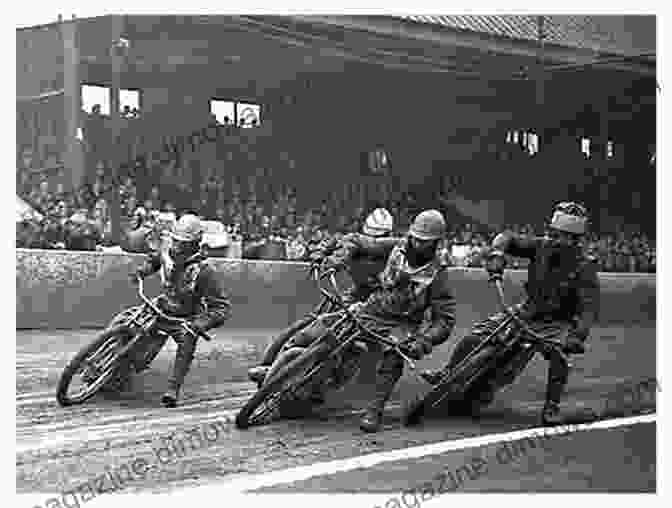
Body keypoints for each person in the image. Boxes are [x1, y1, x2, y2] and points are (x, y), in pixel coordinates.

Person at [261, 209, 457, 433]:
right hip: (372, 307)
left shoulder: (439, 274)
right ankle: (274, 371)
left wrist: (423, 341)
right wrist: (336, 259)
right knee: (323, 325)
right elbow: (358, 241)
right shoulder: (396, 246)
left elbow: (445, 320)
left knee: (393, 356)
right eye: (415, 238)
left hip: (402, 323)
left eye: (425, 241)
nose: (418, 244)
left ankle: (375, 410)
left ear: (436, 243)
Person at [420, 202, 600, 426]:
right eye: (553, 233)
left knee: (559, 357)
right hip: (527, 311)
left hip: (557, 322)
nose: (554, 239)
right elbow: (507, 238)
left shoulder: (585, 267)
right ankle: (447, 372)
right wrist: (497, 253)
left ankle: (551, 408)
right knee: (477, 334)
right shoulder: (540, 246)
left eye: (561, 236)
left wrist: (578, 335)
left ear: (575, 239)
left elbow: (588, 308)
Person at [247, 208, 399, 386]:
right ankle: (275, 366)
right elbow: (331, 244)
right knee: (318, 323)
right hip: (357, 292)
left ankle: (357, 380)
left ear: (388, 233)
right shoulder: (353, 239)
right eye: (370, 234)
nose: (374, 240)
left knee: (376, 342)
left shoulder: (397, 250)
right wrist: (320, 254)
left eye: (379, 235)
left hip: (381, 301)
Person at [120, 214, 232, 407]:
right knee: (128, 321)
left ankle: (173, 388)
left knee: (187, 344)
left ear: (195, 244)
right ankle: (115, 365)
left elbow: (221, 308)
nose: (177, 246)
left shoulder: (204, 271)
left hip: (184, 319)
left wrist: (198, 325)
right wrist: (142, 271)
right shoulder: (166, 251)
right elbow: (154, 261)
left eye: (184, 243)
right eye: (176, 240)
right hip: (162, 306)